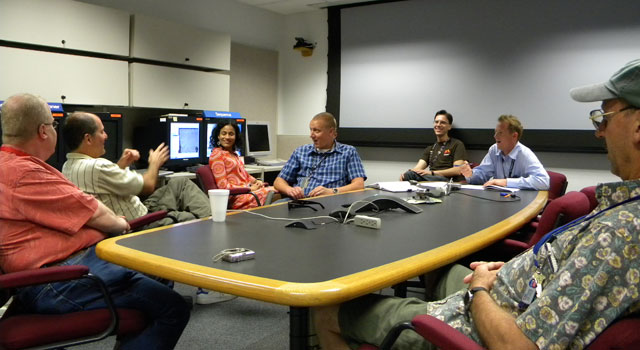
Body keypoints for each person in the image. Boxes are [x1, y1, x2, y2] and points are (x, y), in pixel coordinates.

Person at [313, 59, 640, 350]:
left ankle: (418, 323)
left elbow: (517, 344)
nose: (599, 132)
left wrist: (481, 289)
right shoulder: (620, 209)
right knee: (436, 265)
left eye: (603, 118)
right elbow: (479, 173)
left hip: (485, 315)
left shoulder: (620, 234)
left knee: (326, 309)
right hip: (515, 288)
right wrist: (470, 176)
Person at [0, 93, 190, 349]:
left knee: (156, 276)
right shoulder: (26, 173)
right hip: (62, 279)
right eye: (53, 125)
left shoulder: (14, 165)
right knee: (173, 307)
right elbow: (100, 215)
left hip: (51, 274)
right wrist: (118, 223)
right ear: (43, 131)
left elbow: (82, 208)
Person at [61, 111, 211, 227]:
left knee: (180, 183)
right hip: (142, 223)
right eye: (102, 131)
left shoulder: (69, 166)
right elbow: (148, 187)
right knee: (193, 217)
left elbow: (105, 183)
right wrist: (154, 163)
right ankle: (215, 225)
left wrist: (122, 163)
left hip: (138, 210)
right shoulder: (96, 166)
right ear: (88, 138)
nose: (106, 136)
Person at [274, 112, 367, 199]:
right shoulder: (301, 151)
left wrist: (331, 191)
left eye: (316, 131)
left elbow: (359, 185)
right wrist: (290, 190)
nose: (311, 135)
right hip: (298, 202)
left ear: (332, 133)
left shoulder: (348, 152)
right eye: (311, 130)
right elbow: (279, 181)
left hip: (329, 202)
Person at [460, 115, 549, 190]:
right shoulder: (494, 150)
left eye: (500, 133)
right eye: (495, 132)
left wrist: (506, 182)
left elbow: (543, 181)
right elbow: (483, 175)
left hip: (519, 201)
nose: (495, 136)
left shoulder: (524, 154)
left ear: (514, 135)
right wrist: (470, 174)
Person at [209, 120, 276, 209]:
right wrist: (249, 188)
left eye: (231, 134)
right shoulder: (217, 155)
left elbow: (245, 175)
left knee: (277, 190)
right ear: (218, 136)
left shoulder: (234, 154)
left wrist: (256, 182)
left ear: (236, 137)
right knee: (274, 194)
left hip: (246, 192)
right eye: (224, 133)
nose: (227, 137)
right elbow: (223, 186)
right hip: (236, 197)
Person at [400, 110, 467, 182]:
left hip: (447, 180)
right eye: (436, 122)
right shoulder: (430, 148)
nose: (438, 125)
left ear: (449, 127)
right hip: (431, 179)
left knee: (412, 176)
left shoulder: (456, 144)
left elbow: (458, 170)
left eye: (443, 122)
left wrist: (432, 173)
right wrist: (407, 173)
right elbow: (418, 168)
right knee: (409, 175)